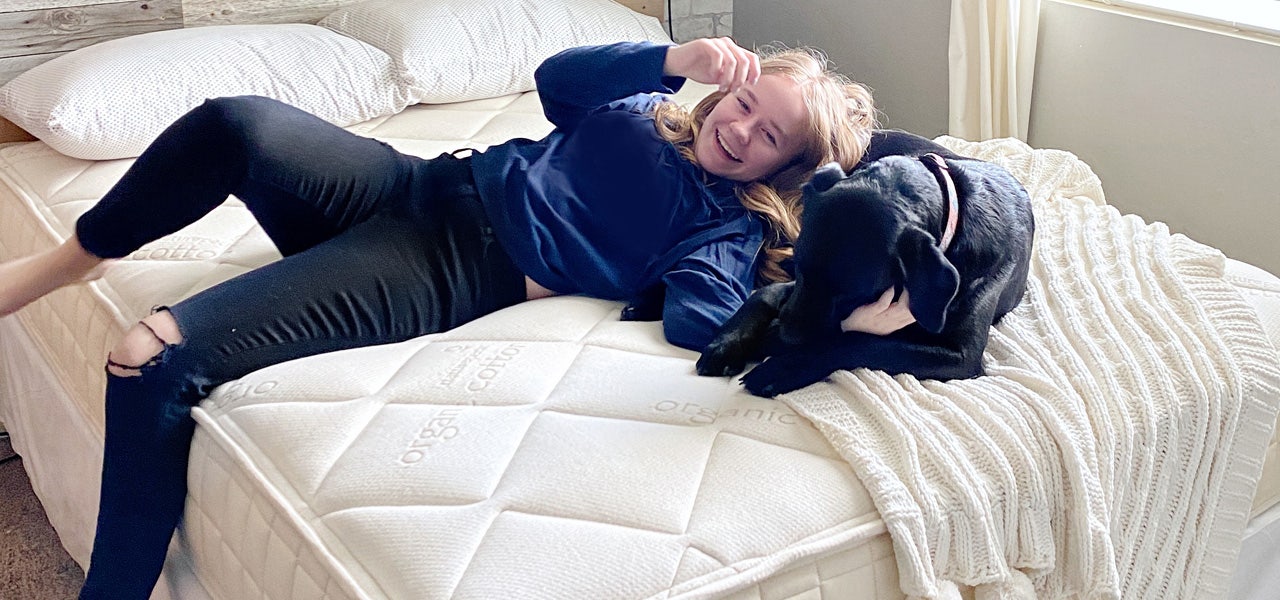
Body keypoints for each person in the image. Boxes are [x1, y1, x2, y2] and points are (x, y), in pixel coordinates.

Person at [0, 38, 885, 598]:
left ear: (786, 171)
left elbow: (703, 320)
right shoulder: (650, 115)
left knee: (152, 354)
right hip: (416, 179)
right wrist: (673, 61)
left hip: (451, 264)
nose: (739, 129)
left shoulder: (723, 226)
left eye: (768, 135)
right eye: (743, 104)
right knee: (236, 122)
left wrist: (802, 273)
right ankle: (75, 256)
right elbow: (555, 80)